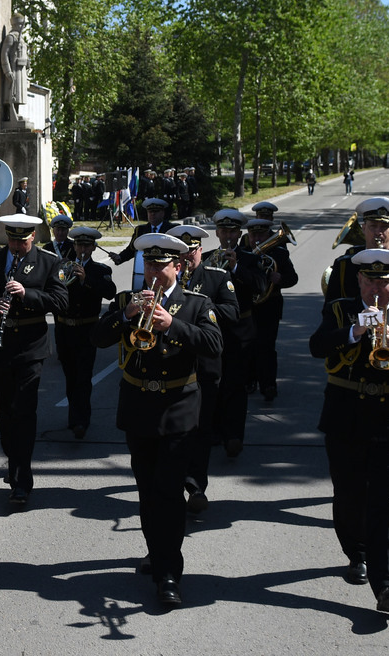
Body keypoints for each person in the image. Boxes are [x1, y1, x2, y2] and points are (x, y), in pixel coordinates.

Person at [91, 233, 222, 607]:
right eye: (148, 264)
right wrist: (125, 316)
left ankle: (169, 573)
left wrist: (171, 326)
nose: (153, 272)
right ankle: (156, 553)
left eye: (161, 265)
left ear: (177, 266)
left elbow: (214, 345)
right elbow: (96, 338)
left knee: (167, 493)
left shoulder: (196, 303)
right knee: (147, 492)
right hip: (138, 406)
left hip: (178, 407)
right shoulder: (126, 300)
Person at [309, 249, 389, 613]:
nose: (375, 289)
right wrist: (354, 331)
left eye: (383, 281)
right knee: (349, 496)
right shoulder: (338, 310)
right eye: (368, 281)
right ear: (358, 281)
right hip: (346, 415)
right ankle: (357, 553)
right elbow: (317, 346)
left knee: (388, 503)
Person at [0, 214, 68, 504]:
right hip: (0, 345)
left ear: (34, 237)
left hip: (30, 347)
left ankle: (22, 480)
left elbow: (60, 302)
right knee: (5, 412)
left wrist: (27, 293)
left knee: (24, 412)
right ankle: (13, 458)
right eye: (13, 239)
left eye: (23, 240)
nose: (17, 245)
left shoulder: (48, 261)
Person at [166, 225, 240, 514]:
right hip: (172, 365)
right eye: (182, 254)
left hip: (205, 367)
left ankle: (196, 486)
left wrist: (201, 311)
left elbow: (232, 313)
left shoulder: (217, 277)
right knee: (174, 430)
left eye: (193, 251)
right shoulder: (168, 282)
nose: (188, 258)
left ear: (200, 251)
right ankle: (174, 483)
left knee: (201, 429)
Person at [205, 209, 268, 458]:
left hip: (241, 329)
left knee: (236, 384)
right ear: (217, 233)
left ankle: (234, 435)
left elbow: (261, 286)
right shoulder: (208, 259)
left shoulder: (251, 259)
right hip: (214, 328)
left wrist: (236, 267)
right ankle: (214, 431)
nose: (228, 235)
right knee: (212, 383)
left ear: (239, 233)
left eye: (233, 231)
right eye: (224, 231)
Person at [56, 227, 115, 438]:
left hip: (87, 329)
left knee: (83, 376)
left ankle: (81, 420)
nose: (82, 249)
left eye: (86, 246)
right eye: (79, 245)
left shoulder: (100, 270)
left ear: (92, 248)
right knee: (70, 376)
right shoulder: (63, 267)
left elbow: (110, 292)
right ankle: (74, 415)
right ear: (74, 246)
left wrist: (85, 279)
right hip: (64, 328)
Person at [243, 218, 298, 402]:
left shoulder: (279, 254)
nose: (256, 239)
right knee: (248, 345)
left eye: (261, 234)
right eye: (253, 235)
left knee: (266, 346)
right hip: (248, 306)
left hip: (270, 306)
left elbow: (293, 278)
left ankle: (268, 385)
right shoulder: (243, 252)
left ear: (269, 234)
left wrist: (280, 278)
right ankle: (250, 380)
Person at [112, 198, 178, 266]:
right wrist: (120, 257)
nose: (152, 214)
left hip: (166, 267)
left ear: (163, 213)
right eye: (150, 211)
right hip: (146, 268)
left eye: (156, 211)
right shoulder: (140, 230)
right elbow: (131, 249)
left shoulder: (172, 229)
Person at [0, 12, 29, 122]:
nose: (23, 27)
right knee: (12, 93)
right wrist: (7, 71)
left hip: (21, 70)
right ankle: (10, 115)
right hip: (14, 69)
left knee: (19, 95)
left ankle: (16, 113)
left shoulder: (21, 39)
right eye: (21, 24)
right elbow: (4, 54)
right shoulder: (11, 37)